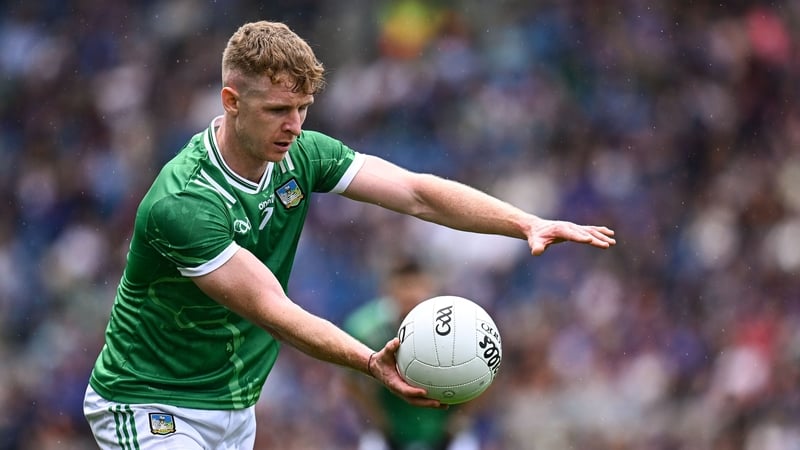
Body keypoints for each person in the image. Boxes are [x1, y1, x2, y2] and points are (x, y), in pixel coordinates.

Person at [83, 20, 616, 449]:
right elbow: (273, 309)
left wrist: (524, 221)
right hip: (148, 401)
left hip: (233, 408)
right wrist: (368, 361)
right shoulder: (184, 203)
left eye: (302, 109)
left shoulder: (302, 154)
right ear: (230, 101)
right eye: (278, 111)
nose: (295, 126)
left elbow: (416, 193)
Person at [343, 258, 481, 450]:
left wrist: (460, 418)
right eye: (404, 286)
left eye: (416, 287)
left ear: (430, 288)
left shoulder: (456, 326)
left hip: (443, 429)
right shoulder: (366, 328)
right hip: (390, 431)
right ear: (388, 289)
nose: (411, 294)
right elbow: (350, 382)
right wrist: (380, 421)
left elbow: (486, 371)